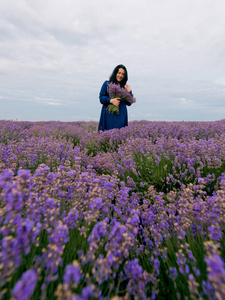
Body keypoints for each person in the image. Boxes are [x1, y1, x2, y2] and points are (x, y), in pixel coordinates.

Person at [98, 64, 134, 131]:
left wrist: (129, 91)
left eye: (123, 74)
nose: (120, 75)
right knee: (107, 134)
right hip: (108, 114)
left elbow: (129, 103)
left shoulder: (125, 87)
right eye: (119, 73)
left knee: (120, 135)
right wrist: (111, 100)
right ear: (115, 73)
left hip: (121, 115)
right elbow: (101, 98)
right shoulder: (107, 84)